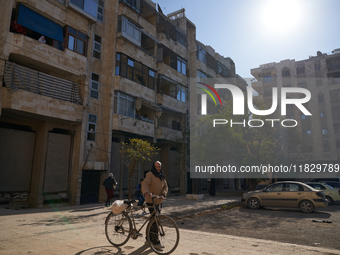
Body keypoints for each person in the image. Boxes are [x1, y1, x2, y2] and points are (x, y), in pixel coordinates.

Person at [142, 161, 168, 250]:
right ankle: (155, 241)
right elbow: (144, 183)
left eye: (159, 166)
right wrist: (146, 192)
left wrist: (163, 194)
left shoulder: (162, 175)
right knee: (155, 220)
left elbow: (166, 186)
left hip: (159, 201)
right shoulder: (150, 175)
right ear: (154, 166)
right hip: (151, 200)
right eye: (157, 166)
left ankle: (147, 240)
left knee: (153, 220)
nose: (158, 168)